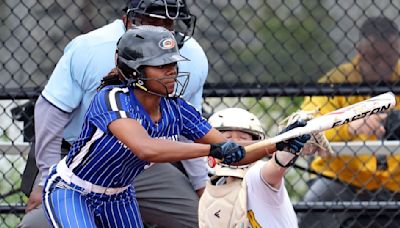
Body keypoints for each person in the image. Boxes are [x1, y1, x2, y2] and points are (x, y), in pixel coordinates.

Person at [41, 26, 310, 227]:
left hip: (118, 197)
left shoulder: (176, 109)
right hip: (72, 190)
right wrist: (209, 150)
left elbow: (234, 153)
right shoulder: (112, 98)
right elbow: (146, 149)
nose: (172, 72)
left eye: (172, 64)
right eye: (161, 66)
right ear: (135, 71)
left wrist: (280, 143)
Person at [18, 0, 209, 227]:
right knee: (36, 225)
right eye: (150, 21)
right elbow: (51, 112)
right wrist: (45, 179)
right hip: (78, 160)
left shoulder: (191, 57)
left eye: (167, 22)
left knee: (203, 219)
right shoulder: (92, 47)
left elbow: (190, 130)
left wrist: (202, 186)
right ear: (127, 19)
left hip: (143, 165)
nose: (159, 30)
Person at [299, 16, 400, 227]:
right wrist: (349, 126)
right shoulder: (337, 81)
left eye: (389, 56)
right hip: (342, 177)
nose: (383, 63)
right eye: (374, 56)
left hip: (396, 180)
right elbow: (306, 125)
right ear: (360, 53)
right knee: (308, 214)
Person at [198, 108, 327, 228]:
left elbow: (275, 168)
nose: (235, 145)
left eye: (243, 139)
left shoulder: (255, 175)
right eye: (227, 139)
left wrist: (288, 149)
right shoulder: (211, 185)